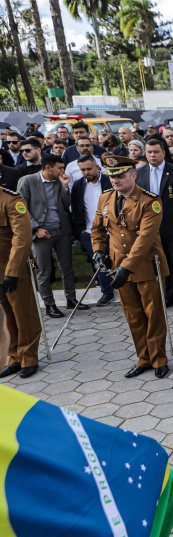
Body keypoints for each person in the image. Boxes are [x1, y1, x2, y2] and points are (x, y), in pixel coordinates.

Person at [91, 154, 171, 379]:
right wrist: (99, 251)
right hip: (119, 267)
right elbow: (97, 229)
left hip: (146, 265)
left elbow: (145, 239)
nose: (115, 180)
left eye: (120, 176)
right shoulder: (105, 198)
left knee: (153, 314)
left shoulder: (150, 201)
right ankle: (143, 358)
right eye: (111, 176)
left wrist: (127, 266)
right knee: (133, 315)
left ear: (133, 175)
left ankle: (159, 359)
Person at [17, 154, 86, 317]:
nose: (63, 171)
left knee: (67, 268)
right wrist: (36, 229)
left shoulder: (58, 182)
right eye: (60, 168)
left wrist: (64, 186)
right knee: (44, 270)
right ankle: (49, 305)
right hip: (41, 233)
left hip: (61, 230)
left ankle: (71, 299)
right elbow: (21, 208)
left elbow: (65, 204)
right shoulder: (28, 181)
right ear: (48, 168)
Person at [136, 138, 173, 310]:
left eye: (156, 152)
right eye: (149, 152)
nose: (153, 155)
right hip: (151, 228)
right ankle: (169, 296)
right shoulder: (139, 174)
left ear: (164, 153)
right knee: (161, 264)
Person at [0, 185, 41, 379]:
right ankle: (13, 356)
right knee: (5, 315)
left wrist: (12, 271)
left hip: (14, 268)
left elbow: (22, 238)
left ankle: (29, 357)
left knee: (24, 314)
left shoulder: (11, 200)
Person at [70, 154, 115, 306]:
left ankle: (126, 290)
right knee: (99, 264)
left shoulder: (110, 180)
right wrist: (82, 230)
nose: (86, 172)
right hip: (90, 232)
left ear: (97, 167)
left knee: (119, 261)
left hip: (113, 231)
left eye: (89, 169)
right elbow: (76, 208)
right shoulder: (78, 185)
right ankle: (107, 292)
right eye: (82, 170)